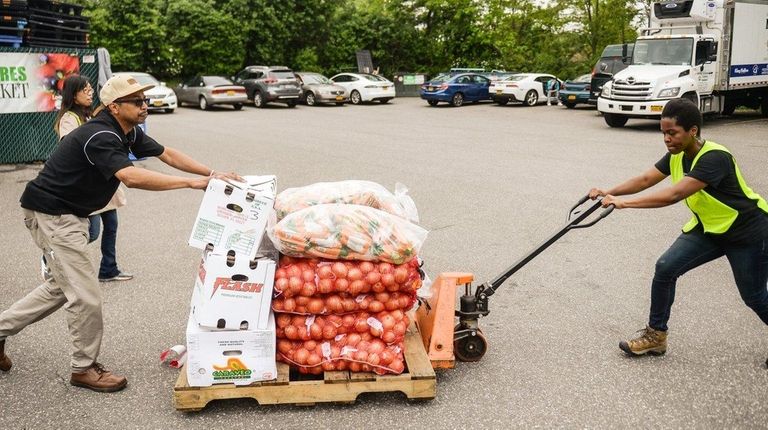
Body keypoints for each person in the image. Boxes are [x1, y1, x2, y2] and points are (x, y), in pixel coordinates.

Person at [0, 74, 242, 392]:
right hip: (55, 215)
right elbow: (130, 176)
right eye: (137, 101)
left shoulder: (126, 132)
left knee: (62, 287)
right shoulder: (100, 135)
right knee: (85, 296)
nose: (145, 105)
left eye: (145, 100)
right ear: (115, 106)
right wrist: (193, 184)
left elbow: (166, 153)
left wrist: (210, 173)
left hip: (68, 213)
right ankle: (83, 368)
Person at [589, 98, 768, 364]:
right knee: (666, 268)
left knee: (753, 296)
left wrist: (624, 203)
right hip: (711, 228)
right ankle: (656, 336)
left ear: (692, 131)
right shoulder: (677, 154)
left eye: (672, 133)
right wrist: (610, 191)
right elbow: (646, 179)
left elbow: (673, 195)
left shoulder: (714, 157)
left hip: (747, 232)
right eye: (664, 133)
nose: (667, 138)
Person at [53, 75, 133, 283]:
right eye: (84, 90)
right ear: (73, 94)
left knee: (112, 225)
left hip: (105, 182)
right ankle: (53, 256)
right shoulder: (69, 118)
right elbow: (70, 144)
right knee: (92, 231)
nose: (90, 94)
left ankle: (108, 268)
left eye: (90, 90)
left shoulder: (90, 116)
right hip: (88, 186)